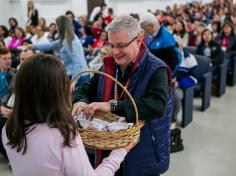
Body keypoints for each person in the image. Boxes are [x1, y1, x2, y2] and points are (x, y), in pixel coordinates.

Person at [2, 54, 136, 176]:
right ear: (57, 90)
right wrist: (120, 152)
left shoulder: (9, 128)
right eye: (66, 82)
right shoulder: (62, 134)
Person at [72, 15, 172, 176]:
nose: (115, 52)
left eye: (120, 45)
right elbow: (84, 90)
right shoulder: (109, 67)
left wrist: (112, 106)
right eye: (111, 45)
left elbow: (157, 106)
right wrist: (80, 102)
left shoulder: (156, 69)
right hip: (109, 149)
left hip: (143, 153)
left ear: (139, 40)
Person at [31, 15, 89, 89]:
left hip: (79, 77)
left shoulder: (69, 41)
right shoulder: (67, 38)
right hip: (78, 75)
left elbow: (77, 61)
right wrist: (33, 46)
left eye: (57, 26)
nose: (56, 28)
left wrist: (74, 80)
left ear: (61, 27)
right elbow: (51, 45)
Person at [139, 12, 181, 76]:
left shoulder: (166, 37)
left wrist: (167, 76)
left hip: (164, 75)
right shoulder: (149, 35)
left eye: (145, 28)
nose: (144, 31)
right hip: (154, 72)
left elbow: (175, 60)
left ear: (152, 26)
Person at [0, 48, 16, 160]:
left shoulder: (15, 73)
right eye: (4, 58)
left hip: (11, 106)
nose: (8, 61)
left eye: (9, 58)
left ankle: (11, 156)